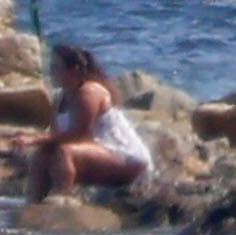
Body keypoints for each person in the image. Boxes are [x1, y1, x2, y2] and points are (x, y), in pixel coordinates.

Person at [28, 42, 155, 201]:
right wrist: (36, 143)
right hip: (98, 155)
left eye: (56, 67)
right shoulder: (59, 98)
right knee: (42, 154)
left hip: (126, 157)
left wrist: (34, 139)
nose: (51, 72)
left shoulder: (89, 92)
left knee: (64, 152)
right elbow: (56, 137)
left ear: (73, 70)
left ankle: (61, 201)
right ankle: (33, 205)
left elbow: (81, 135)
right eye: (51, 66)